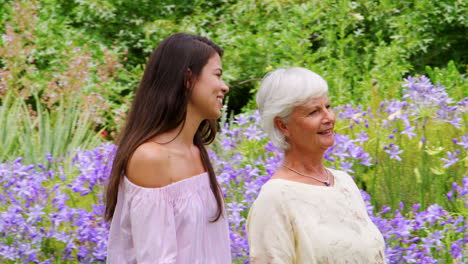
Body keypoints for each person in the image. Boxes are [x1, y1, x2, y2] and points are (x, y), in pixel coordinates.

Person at [105, 33, 231, 263]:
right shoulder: (150, 158)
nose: (225, 87)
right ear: (188, 79)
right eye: (217, 75)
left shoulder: (196, 153)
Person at [246, 67, 386, 263]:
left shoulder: (343, 182)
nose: (328, 118)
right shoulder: (275, 199)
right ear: (283, 126)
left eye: (328, 106)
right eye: (314, 112)